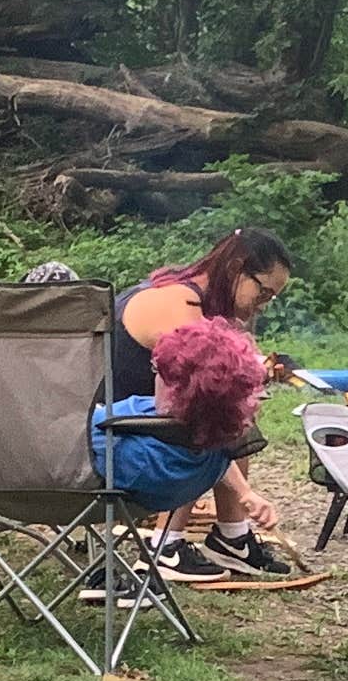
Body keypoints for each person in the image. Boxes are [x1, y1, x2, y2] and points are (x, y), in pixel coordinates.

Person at [112, 227, 311, 583]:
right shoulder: (178, 305)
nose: (262, 304)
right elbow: (198, 407)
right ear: (236, 268)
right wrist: (247, 493)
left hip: (129, 426)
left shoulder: (198, 302)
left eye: (272, 298)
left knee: (231, 408)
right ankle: (166, 546)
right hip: (116, 440)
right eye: (263, 292)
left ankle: (231, 538)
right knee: (216, 412)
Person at [91, 317, 272, 594]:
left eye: (158, 370)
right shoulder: (210, 449)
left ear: (172, 385)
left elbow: (72, 438)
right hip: (162, 496)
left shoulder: (132, 440)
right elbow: (218, 452)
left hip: (76, 489)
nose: (154, 376)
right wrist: (245, 493)